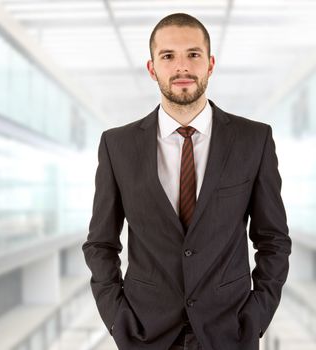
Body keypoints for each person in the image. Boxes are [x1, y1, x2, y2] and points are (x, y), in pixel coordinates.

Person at [82, 12, 291, 350]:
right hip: (144, 335)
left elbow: (273, 240)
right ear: (152, 68)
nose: (182, 67)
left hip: (230, 334)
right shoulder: (116, 146)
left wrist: (257, 316)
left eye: (193, 54)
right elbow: (100, 244)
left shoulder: (254, 139)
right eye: (168, 56)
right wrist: (116, 318)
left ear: (210, 64)